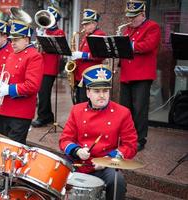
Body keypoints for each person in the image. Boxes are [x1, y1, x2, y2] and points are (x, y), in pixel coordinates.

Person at [59, 64, 138, 200]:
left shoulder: (122, 113)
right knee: (57, 177)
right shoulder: (77, 110)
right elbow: (65, 139)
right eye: (97, 91)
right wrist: (77, 151)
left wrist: (107, 160)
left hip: (106, 165)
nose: (102, 95)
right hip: (79, 163)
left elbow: (131, 145)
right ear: (88, 93)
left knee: (117, 181)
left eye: (105, 91)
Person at [0, 14, 44, 144]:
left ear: (26, 40)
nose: (12, 42)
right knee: (3, 147)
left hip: (20, 112)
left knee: (13, 150)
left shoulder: (34, 56)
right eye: (11, 39)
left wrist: (8, 89)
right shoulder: (13, 54)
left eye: (16, 39)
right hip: (4, 109)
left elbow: (32, 86)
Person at [119, 0, 161, 151]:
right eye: (129, 17)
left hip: (142, 75)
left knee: (139, 109)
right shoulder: (128, 29)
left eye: (133, 17)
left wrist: (129, 45)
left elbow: (149, 45)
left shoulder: (152, 27)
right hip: (126, 74)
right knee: (125, 108)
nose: (130, 20)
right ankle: (126, 137)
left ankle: (140, 139)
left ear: (142, 14)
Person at [31, 6, 65, 128]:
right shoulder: (44, 31)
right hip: (41, 66)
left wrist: (43, 36)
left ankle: (42, 117)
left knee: (44, 92)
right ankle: (48, 116)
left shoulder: (58, 32)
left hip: (50, 67)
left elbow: (57, 48)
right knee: (42, 92)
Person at [70, 9, 106, 103]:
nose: (84, 26)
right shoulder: (87, 35)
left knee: (85, 102)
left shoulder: (99, 35)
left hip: (90, 76)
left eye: (86, 24)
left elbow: (101, 55)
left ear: (94, 24)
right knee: (78, 102)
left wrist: (82, 55)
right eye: (84, 24)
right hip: (81, 76)